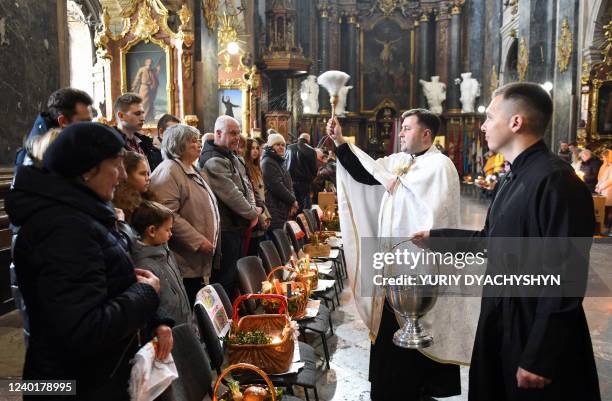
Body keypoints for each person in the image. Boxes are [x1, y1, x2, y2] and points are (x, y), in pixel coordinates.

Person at [413, 82, 600, 401]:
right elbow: (491, 241)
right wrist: (436, 238)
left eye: (489, 116)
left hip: (534, 328)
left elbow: (567, 277)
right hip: (500, 316)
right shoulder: (511, 179)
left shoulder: (557, 182)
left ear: (516, 122)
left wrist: (540, 356)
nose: (483, 125)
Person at [6, 122, 173, 400]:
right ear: (86, 170)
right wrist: (146, 294)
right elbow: (85, 329)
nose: (121, 176)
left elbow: (108, 281)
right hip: (72, 385)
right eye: (115, 165)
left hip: (97, 378)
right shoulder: (63, 229)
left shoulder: (83, 213)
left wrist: (155, 319)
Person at [327, 109, 477, 401]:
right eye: (402, 128)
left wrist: (396, 183)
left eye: (407, 128)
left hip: (419, 271)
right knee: (389, 346)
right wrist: (340, 142)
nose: (401, 134)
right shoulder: (400, 162)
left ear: (426, 134)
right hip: (392, 270)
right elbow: (366, 173)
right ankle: (389, 390)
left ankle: (417, 390)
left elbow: (437, 213)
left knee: (417, 343)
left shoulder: (440, 165)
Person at [150, 124, 220, 307]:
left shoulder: (191, 168)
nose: (199, 145)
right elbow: (167, 214)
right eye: (193, 142)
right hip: (184, 258)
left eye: (198, 141)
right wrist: (198, 241)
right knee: (190, 306)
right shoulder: (169, 171)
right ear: (178, 145)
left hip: (198, 259)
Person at [199, 115, 261, 299]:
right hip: (227, 228)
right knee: (225, 279)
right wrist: (252, 213)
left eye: (238, 133)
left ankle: (235, 313)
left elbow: (247, 186)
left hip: (238, 225)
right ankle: (227, 322)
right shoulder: (213, 160)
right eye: (232, 133)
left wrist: (256, 210)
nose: (237, 137)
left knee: (235, 275)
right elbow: (231, 194)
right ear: (218, 133)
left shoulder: (231, 155)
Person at [131, 200, 192, 326]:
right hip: (169, 329)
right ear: (152, 231)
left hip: (184, 323)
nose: (171, 234)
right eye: (167, 230)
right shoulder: (143, 266)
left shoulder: (165, 251)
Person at [16, 88, 93, 166]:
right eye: (84, 122)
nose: (91, 128)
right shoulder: (38, 157)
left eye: (90, 122)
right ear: (63, 121)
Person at [114, 93, 162, 171]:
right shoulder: (113, 144)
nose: (142, 118)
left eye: (143, 113)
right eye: (137, 114)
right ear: (121, 116)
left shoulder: (143, 142)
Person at [262, 133, 298, 231]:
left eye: (283, 145)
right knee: (277, 237)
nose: (281, 147)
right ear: (270, 147)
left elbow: (289, 183)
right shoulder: (268, 162)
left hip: (283, 207)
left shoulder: (280, 161)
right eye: (277, 144)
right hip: (274, 208)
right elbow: (277, 186)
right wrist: (292, 201)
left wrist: (292, 201)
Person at [244, 138, 272, 255]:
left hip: (262, 211)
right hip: (255, 213)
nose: (255, 151)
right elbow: (253, 196)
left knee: (260, 249)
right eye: (251, 148)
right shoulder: (246, 167)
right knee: (254, 248)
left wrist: (267, 215)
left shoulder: (257, 167)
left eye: (257, 148)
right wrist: (262, 216)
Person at [113, 151, 156, 224]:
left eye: (147, 173)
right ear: (126, 175)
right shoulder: (122, 208)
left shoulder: (147, 197)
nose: (148, 178)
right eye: (142, 174)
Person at [285, 133, 318, 212]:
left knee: (292, 209)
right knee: (305, 212)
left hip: (290, 183)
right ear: (308, 140)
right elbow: (314, 170)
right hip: (305, 185)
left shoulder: (289, 148)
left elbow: (284, 165)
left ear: (299, 138)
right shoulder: (311, 150)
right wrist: (310, 180)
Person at [131, 58, 160, 122]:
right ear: (146, 63)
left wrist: (158, 69)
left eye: (151, 62)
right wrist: (134, 86)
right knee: (144, 103)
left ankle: (149, 118)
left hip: (150, 89)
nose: (150, 63)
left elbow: (155, 77)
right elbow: (137, 78)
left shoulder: (152, 71)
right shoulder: (142, 69)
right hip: (144, 88)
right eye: (148, 62)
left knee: (150, 103)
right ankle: (143, 118)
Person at [595, 149, 612, 234]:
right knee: (604, 209)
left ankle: (608, 227)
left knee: (609, 210)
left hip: (609, 191)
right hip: (602, 191)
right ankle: (603, 226)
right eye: (603, 157)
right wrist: (597, 186)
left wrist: (601, 187)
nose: (603, 159)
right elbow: (600, 178)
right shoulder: (604, 166)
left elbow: (610, 180)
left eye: (605, 157)